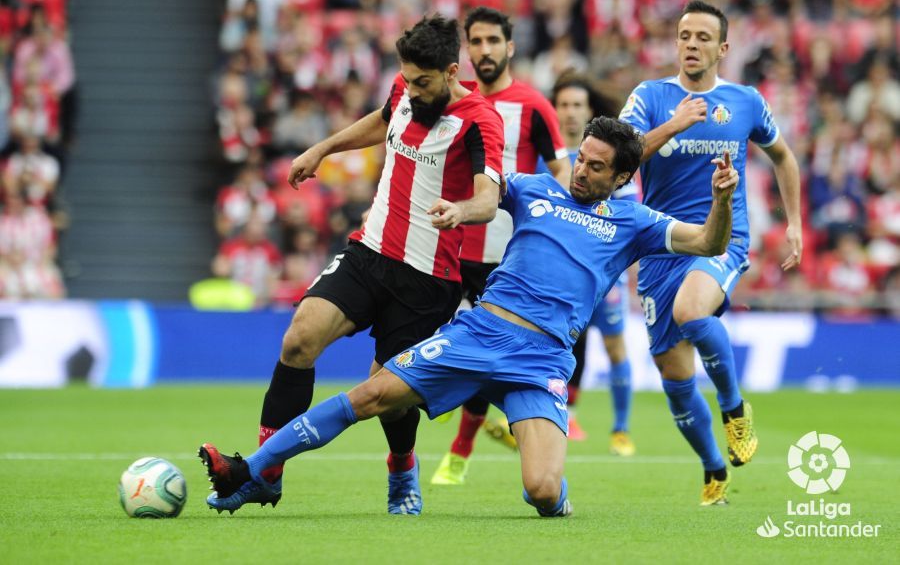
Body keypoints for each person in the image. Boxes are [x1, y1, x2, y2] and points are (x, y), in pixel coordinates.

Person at [199, 116, 739, 517]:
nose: (581, 170)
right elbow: (486, 194)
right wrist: (459, 210)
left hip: (542, 357)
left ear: (621, 176)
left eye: (597, 167)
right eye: (581, 158)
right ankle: (250, 474)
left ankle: (557, 498)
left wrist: (720, 201)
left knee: (543, 492)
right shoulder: (535, 188)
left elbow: (708, 241)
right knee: (369, 396)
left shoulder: (634, 220)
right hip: (480, 331)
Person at [200, 15, 505, 516]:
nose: (412, 89)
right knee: (300, 337)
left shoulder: (480, 121)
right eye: (406, 79)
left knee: (389, 391)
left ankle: (402, 467)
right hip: (370, 252)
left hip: (428, 278)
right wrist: (322, 147)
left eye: (423, 82)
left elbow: (488, 199)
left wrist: (460, 211)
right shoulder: (406, 89)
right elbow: (383, 119)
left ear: (452, 72)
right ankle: (266, 475)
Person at [618, 0, 803, 505]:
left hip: (722, 236)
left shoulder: (744, 101)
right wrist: (675, 125)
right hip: (660, 246)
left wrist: (794, 223)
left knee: (691, 310)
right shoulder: (649, 97)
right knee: (674, 376)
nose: (692, 44)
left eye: (703, 37)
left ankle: (734, 407)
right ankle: (713, 467)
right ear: (675, 43)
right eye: (684, 36)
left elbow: (783, 156)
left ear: (722, 48)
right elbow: (621, 158)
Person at [431, 6, 571, 486]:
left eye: (494, 41)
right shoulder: (453, 101)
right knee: (431, 345)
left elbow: (565, 178)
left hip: (507, 260)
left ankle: (460, 450)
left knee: (480, 352)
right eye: (477, 42)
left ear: (510, 47)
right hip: (448, 247)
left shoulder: (534, 106)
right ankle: (463, 423)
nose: (485, 50)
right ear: (465, 49)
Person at [544, 74, 638, 454]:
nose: (568, 113)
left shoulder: (610, 159)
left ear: (588, 111)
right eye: (562, 105)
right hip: (561, 276)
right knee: (558, 345)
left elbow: (629, 213)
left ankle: (621, 430)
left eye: (576, 106)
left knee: (615, 348)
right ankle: (559, 414)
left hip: (604, 276)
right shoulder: (546, 159)